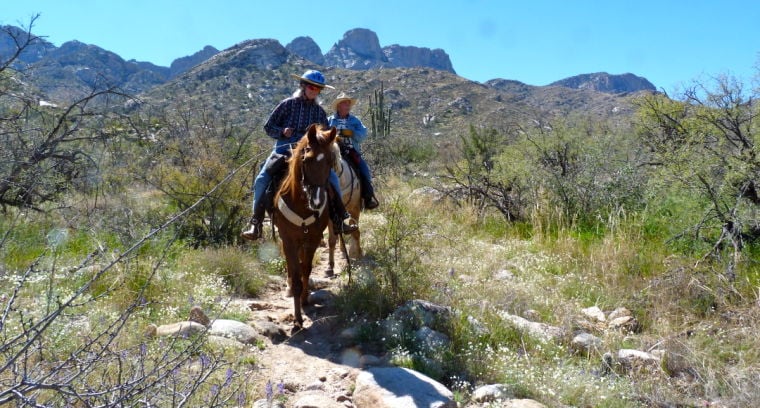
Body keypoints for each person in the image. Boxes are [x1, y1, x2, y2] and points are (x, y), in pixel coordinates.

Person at [241, 70, 358, 241]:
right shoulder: (287, 105)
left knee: (332, 178)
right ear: (303, 86)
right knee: (262, 178)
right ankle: (256, 222)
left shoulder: (319, 112)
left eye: (318, 89)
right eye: (311, 87)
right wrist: (282, 131)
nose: (314, 91)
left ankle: (341, 219)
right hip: (284, 150)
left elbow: (325, 134)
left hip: (310, 153)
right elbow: (268, 127)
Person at [328, 92, 379, 210]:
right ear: (339, 106)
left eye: (348, 104)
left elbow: (362, 136)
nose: (348, 106)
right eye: (345, 104)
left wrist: (351, 133)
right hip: (333, 152)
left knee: (364, 170)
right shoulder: (329, 120)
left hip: (350, 151)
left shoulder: (355, 121)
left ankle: (368, 197)